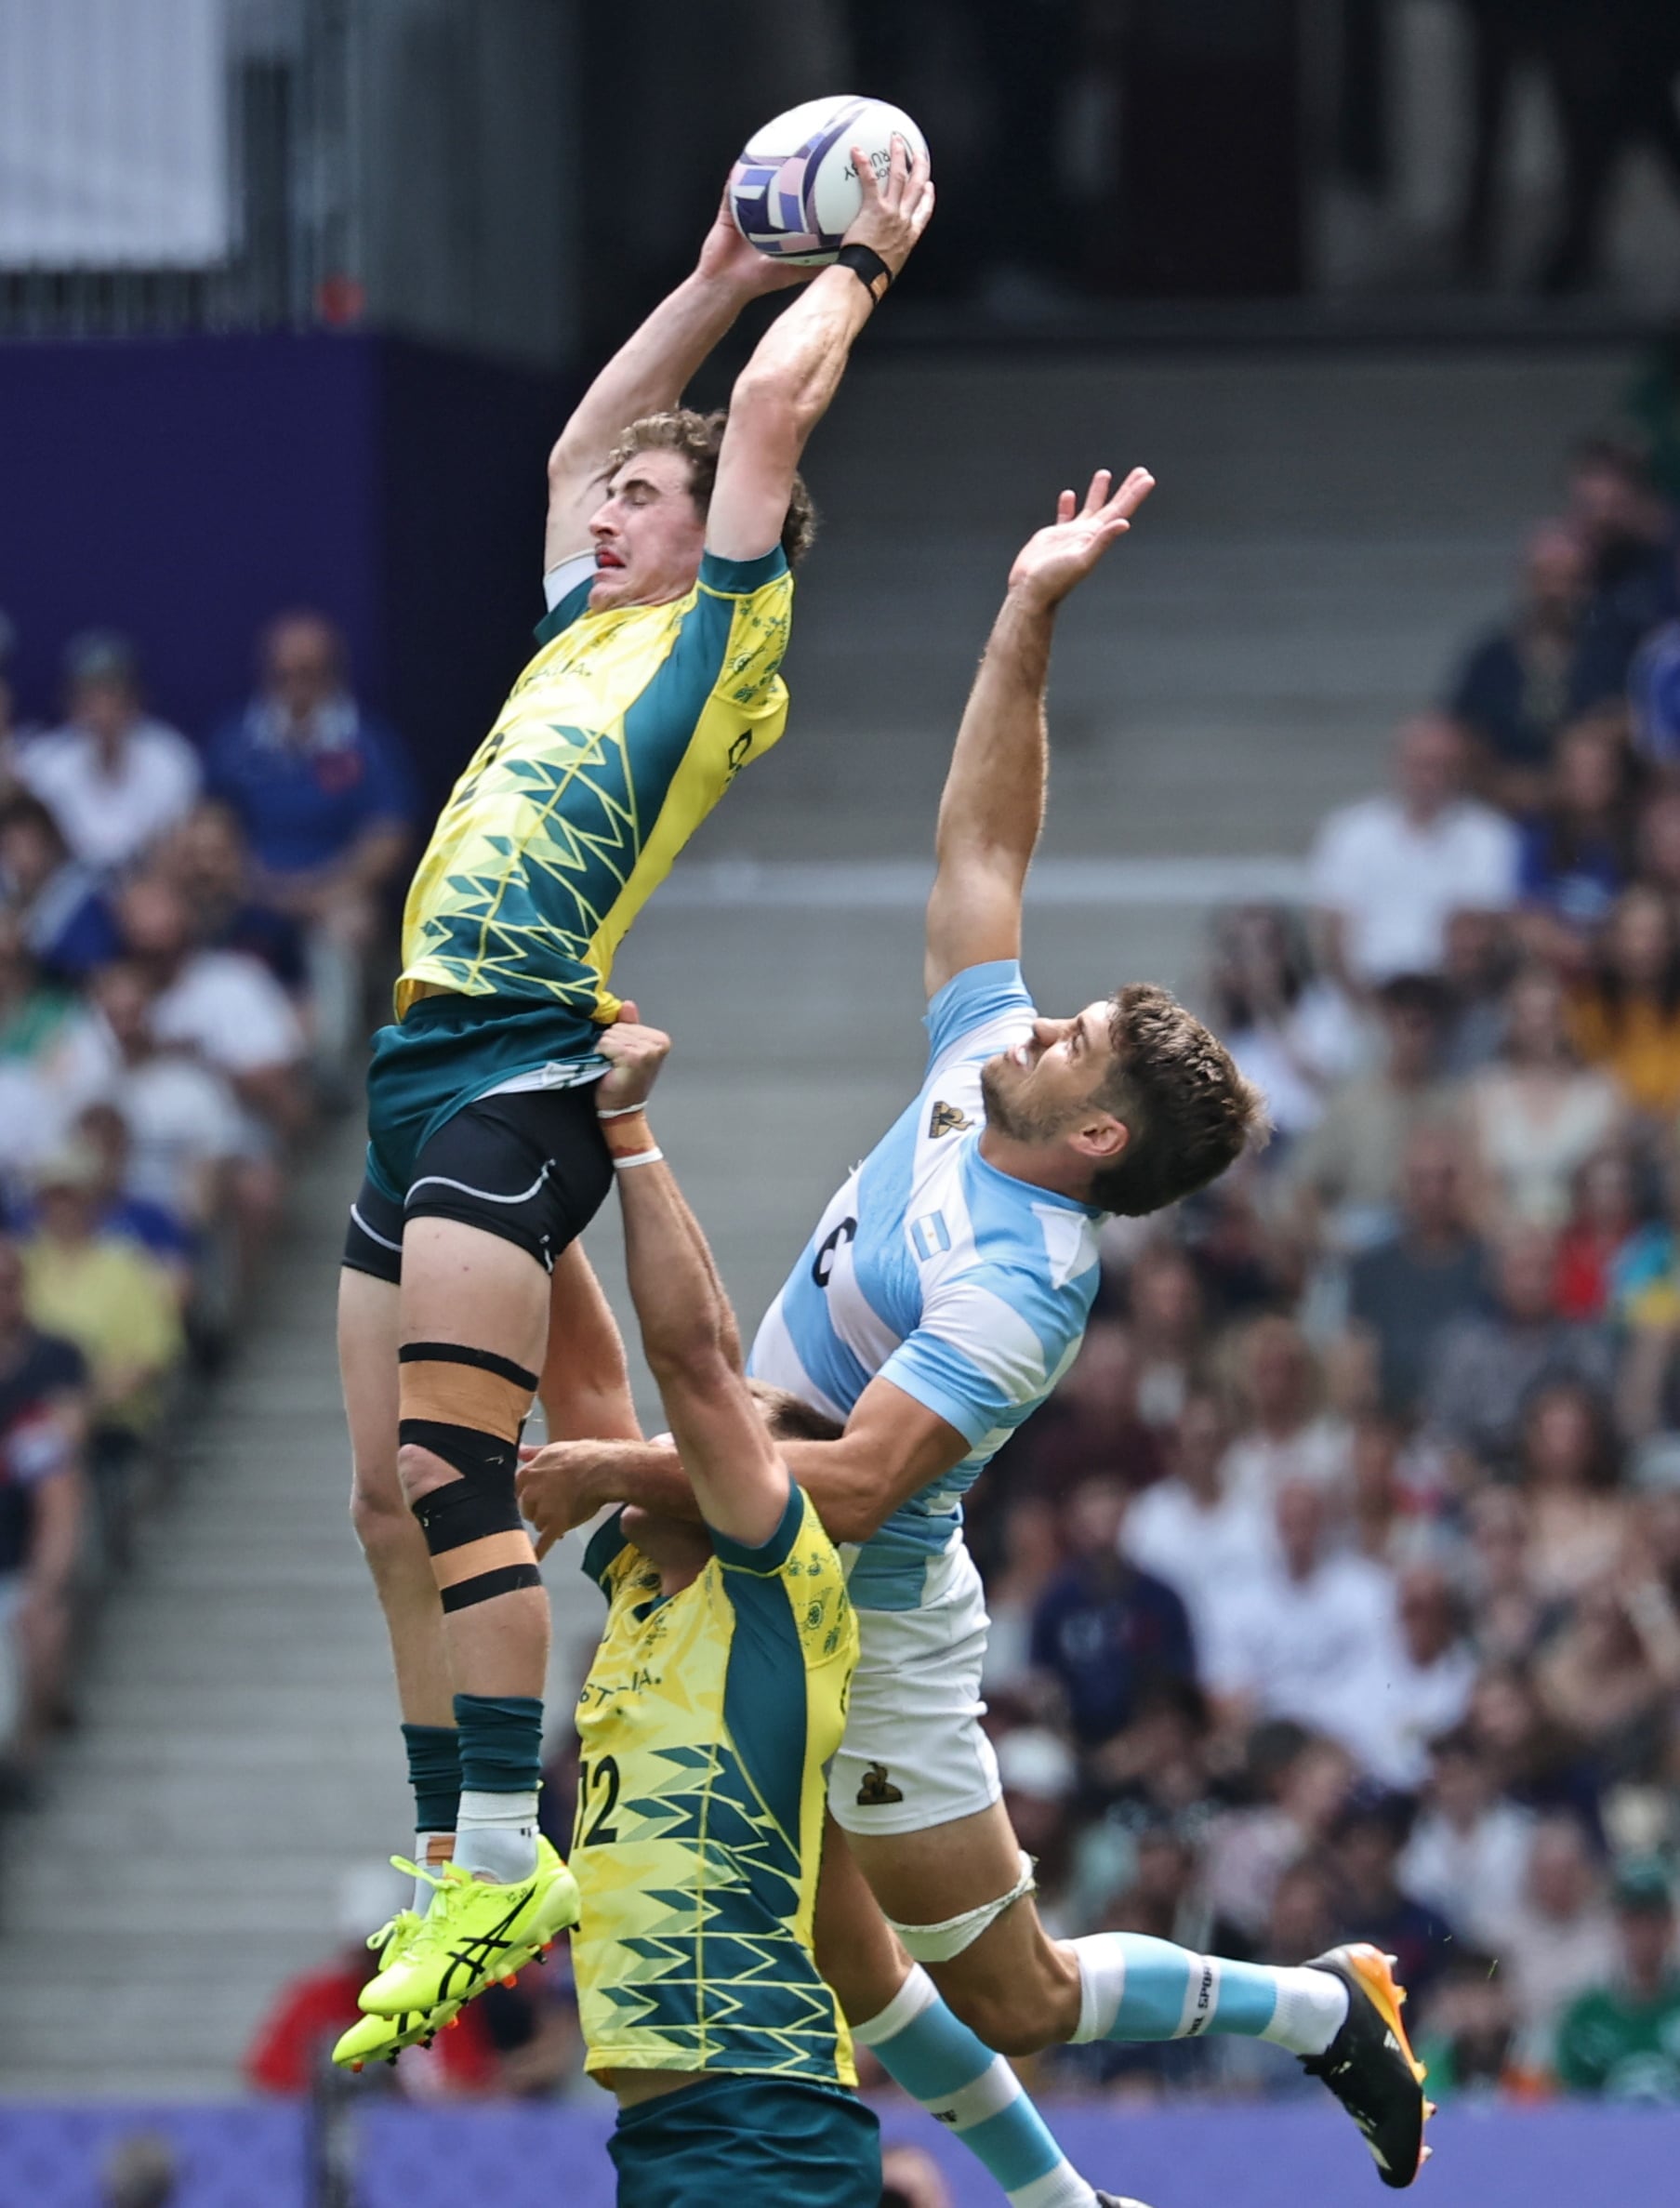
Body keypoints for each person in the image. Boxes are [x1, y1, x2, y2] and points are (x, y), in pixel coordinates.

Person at [522, 476, 1432, 2190]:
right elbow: (981, 848)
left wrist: (601, 1469)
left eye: (1075, 1036)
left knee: (999, 1990)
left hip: (861, 1605)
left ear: (1094, 1140)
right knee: (845, 1952)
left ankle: (1321, 2011)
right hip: (742, 1526)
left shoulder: (1024, 1289)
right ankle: (1065, 2198)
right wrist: (1028, 609)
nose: (1043, 1013)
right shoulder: (979, 1069)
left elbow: (852, 1490)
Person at [335, 147, 936, 2035]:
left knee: (455, 1468)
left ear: (715, 533)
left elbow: (761, 410)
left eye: (644, 500)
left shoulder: (713, 640)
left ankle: (512, 1855)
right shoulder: (577, 620)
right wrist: (702, 274)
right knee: (377, 1497)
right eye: (609, 502)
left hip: (524, 1053)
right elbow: (580, 441)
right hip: (415, 1055)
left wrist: (853, 264)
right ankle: (456, 1862)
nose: (606, 511)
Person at [502, 1015, 878, 2207]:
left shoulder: (773, 1589)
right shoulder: (642, 1588)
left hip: (758, 2116)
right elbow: (591, 1385)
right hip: (679, 2127)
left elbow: (691, 1358)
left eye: (713, 1431)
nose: (662, 1445)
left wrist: (622, 1124)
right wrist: (511, 1151)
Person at [205, 619, 417, 1086]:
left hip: (332, 896)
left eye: (309, 672)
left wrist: (323, 890)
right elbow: (209, 829)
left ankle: (327, 1068)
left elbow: (389, 837)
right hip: (248, 892)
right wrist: (251, 882)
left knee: (348, 923)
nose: (295, 685)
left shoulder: (366, 743)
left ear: (331, 674)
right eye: (284, 673)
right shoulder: (236, 742)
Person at [1309, 714, 1519, 992]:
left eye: (1444, 766)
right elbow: (1331, 932)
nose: (1431, 778)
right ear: (1397, 765)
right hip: (1363, 995)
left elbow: (1484, 932)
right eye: (1421, 765)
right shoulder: (1351, 831)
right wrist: (1365, 1007)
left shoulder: (1489, 835)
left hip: (1451, 998)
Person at [1445, 521, 1620, 808]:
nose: (1555, 591)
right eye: (1544, 577)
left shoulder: (1611, 653)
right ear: (1524, 580)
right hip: (1502, 808)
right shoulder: (1489, 658)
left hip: (1592, 814)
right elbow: (1463, 734)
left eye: (1569, 579)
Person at [0, 1235, 85, 1777]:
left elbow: (58, 1497)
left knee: (39, 1620)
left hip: (11, 1574)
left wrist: (44, 1584)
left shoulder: (32, 1406)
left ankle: (25, 1763)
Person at [17, 633, 199, 875]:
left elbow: (175, 848)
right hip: (62, 890)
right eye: (90, 697)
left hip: (147, 885)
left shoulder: (171, 760)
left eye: (113, 694)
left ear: (135, 700)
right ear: (72, 704)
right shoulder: (44, 762)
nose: (103, 710)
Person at [1554, 1858, 1680, 2097]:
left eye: (1653, 1921)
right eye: (1633, 1921)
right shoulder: (1586, 2016)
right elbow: (1570, 2107)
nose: (1644, 1934)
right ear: (1617, 1926)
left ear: (1670, 1926)